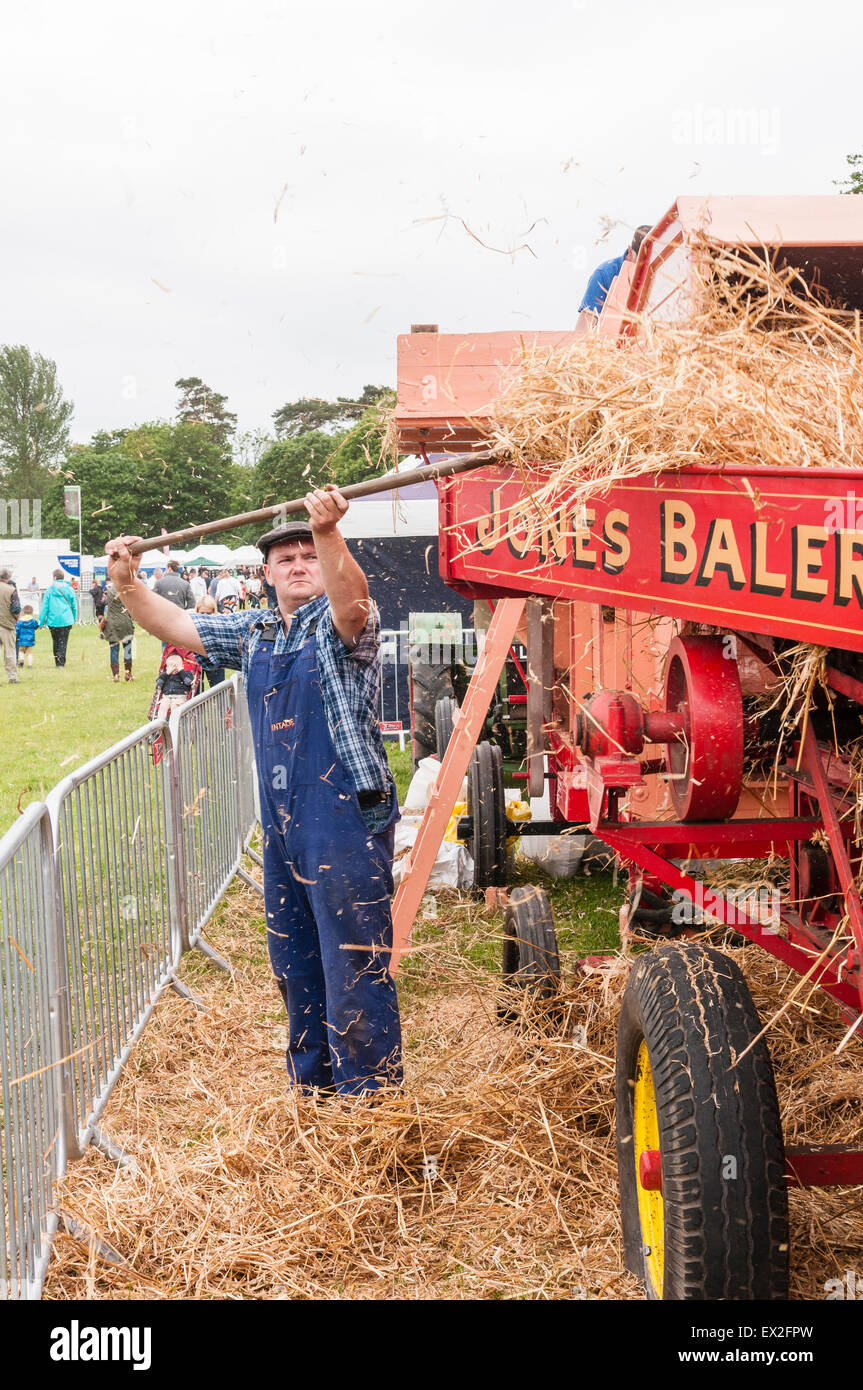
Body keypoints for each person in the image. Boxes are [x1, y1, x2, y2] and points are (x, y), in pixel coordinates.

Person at [105, 485, 402, 1097]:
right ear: (265, 574)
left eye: (308, 557)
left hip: (344, 816)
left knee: (352, 959)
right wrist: (130, 586)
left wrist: (328, 534)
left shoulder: (345, 622)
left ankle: (371, 1103)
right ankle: (313, 1091)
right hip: (285, 821)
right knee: (294, 962)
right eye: (285, 559)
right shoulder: (259, 630)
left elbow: (353, 601)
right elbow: (181, 626)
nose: (299, 566)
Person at [577, 224, 653, 330]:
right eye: (641, 267)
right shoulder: (604, 274)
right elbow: (584, 328)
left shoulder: (660, 271)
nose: (644, 273)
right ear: (630, 252)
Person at [39, 569, 77, 668]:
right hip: (66, 620)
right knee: (63, 641)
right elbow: (74, 606)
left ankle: (57, 661)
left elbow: (45, 608)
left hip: (53, 621)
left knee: (55, 641)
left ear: (55, 577)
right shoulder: (70, 589)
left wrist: (41, 622)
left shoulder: (50, 590)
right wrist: (74, 618)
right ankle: (61, 663)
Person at [100, 580, 135, 681]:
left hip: (112, 624)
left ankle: (116, 675)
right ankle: (128, 673)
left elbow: (102, 603)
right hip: (125, 623)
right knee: (127, 649)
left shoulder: (109, 590)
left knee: (114, 650)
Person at [193, 595, 226, 687]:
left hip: (215, 659)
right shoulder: (192, 621)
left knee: (218, 689)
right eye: (202, 613)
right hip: (197, 659)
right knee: (196, 691)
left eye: (208, 613)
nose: (205, 616)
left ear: (213, 611)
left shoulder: (220, 622)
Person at [0, 569, 20, 683]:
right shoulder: (11, 590)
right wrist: (17, 618)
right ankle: (12, 677)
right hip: (7, 625)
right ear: (8, 577)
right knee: (10, 652)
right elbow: (16, 608)